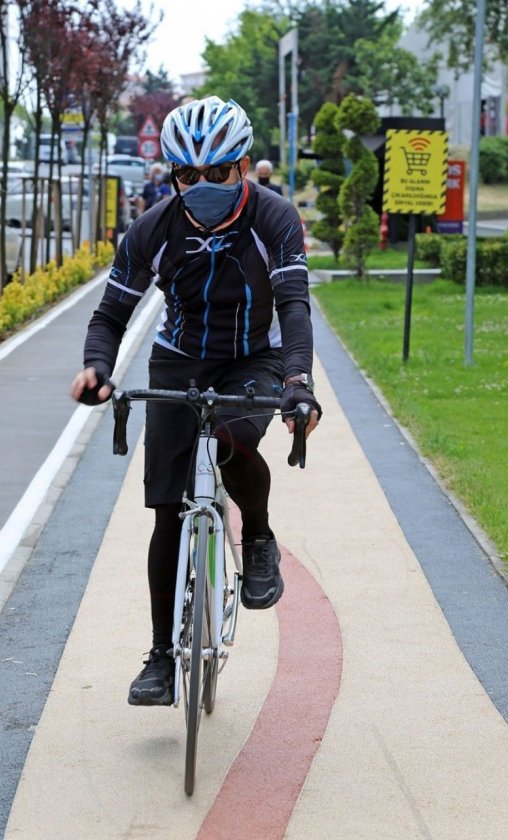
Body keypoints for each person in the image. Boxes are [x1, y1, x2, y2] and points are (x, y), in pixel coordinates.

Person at [71, 96, 321, 707]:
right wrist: (97, 368)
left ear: (243, 167)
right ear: (172, 174)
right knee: (166, 510)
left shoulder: (273, 217)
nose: (202, 185)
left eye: (218, 173)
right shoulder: (153, 228)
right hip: (179, 359)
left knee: (232, 438)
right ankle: (160, 657)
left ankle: (257, 538)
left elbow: (294, 306)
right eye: (188, 175)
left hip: (253, 357)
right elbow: (111, 315)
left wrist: (297, 380)